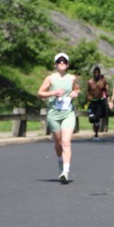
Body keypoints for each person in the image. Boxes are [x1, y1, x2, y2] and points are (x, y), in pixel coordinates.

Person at [37, 52, 80, 183]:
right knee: (58, 143)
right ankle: (60, 161)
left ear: (67, 65)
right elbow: (40, 93)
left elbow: (77, 89)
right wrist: (54, 93)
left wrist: (75, 93)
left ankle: (65, 172)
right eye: (59, 61)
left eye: (64, 61)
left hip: (68, 114)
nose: (62, 63)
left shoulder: (72, 78)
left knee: (66, 142)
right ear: (55, 64)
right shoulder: (50, 79)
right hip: (54, 114)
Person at [86, 65, 109, 141]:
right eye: (95, 73)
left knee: (97, 119)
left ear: (99, 73)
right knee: (91, 118)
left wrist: (107, 100)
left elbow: (106, 91)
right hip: (92, 102)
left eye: (98, 72)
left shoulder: (103, 81)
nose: (97, 74)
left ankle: (96, 134)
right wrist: (88, 97)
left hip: (100, 102)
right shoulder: (90, 82)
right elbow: (88, 91)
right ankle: (94, 125)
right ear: (93, 73)